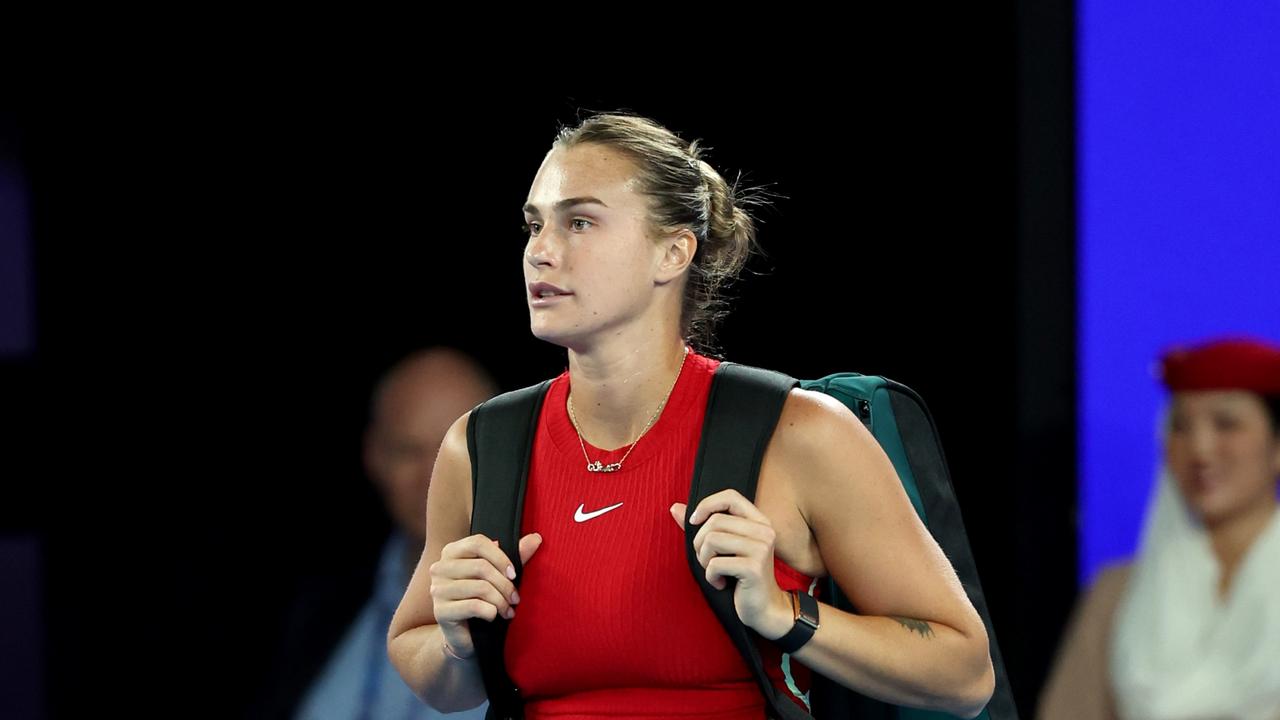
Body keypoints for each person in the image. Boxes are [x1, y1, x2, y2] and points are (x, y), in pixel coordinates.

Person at [387, 112, 996, 719]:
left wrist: (786, 615)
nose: (540, 253)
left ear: (673, 252)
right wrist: (455, 642)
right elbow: (439, 679)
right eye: (533, 225)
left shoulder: (800, 431)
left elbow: (965, 676)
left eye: (579, 221)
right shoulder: (480, 445)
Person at [1038, 336, 1280, 720]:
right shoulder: (1115, 596)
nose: (1200, 448)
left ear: (1277, 445)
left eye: (1226, 424)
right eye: (1181, 426)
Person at [277, 348, 497, 720]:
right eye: (409, 451)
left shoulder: (549, 612)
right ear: (374, 456)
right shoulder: (316, 605)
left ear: (504, 451)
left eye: (457, 451)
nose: (432, 479)